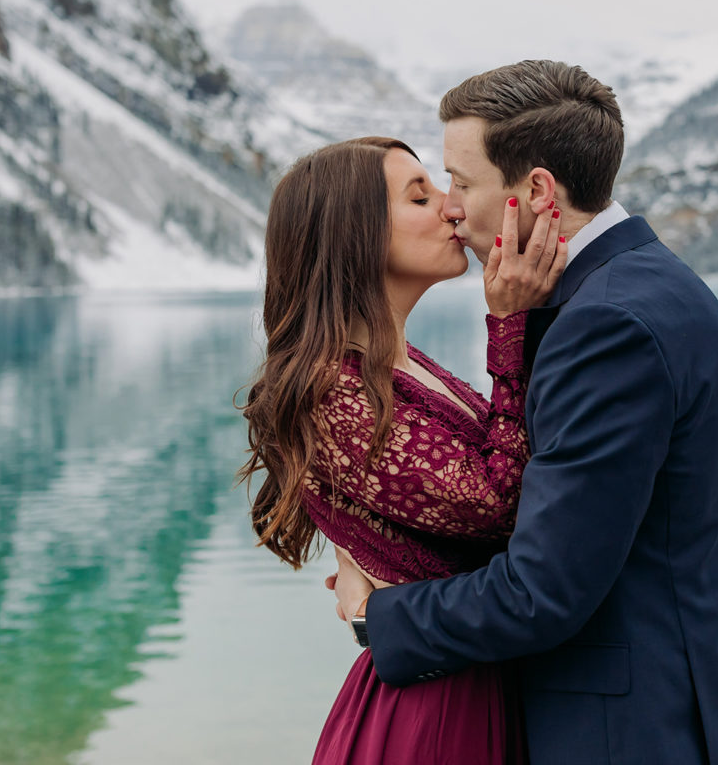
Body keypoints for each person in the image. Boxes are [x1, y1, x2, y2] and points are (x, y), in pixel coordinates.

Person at [330, 61, 718, 764]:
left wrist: (374, 614)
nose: (452, 206)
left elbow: (542, 590)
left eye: (463, 181)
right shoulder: (644, 285)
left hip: (631, 735)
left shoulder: (606, 324)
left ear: (535, 192)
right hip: (682, 707)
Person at [238, 135, 567, 764]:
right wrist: (508, 324)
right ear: (353, 235)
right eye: (421, 196)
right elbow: (503, 504)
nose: (451, 208)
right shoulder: (330, 392)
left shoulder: (401, 366)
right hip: (435, 711)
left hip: (467, 675)